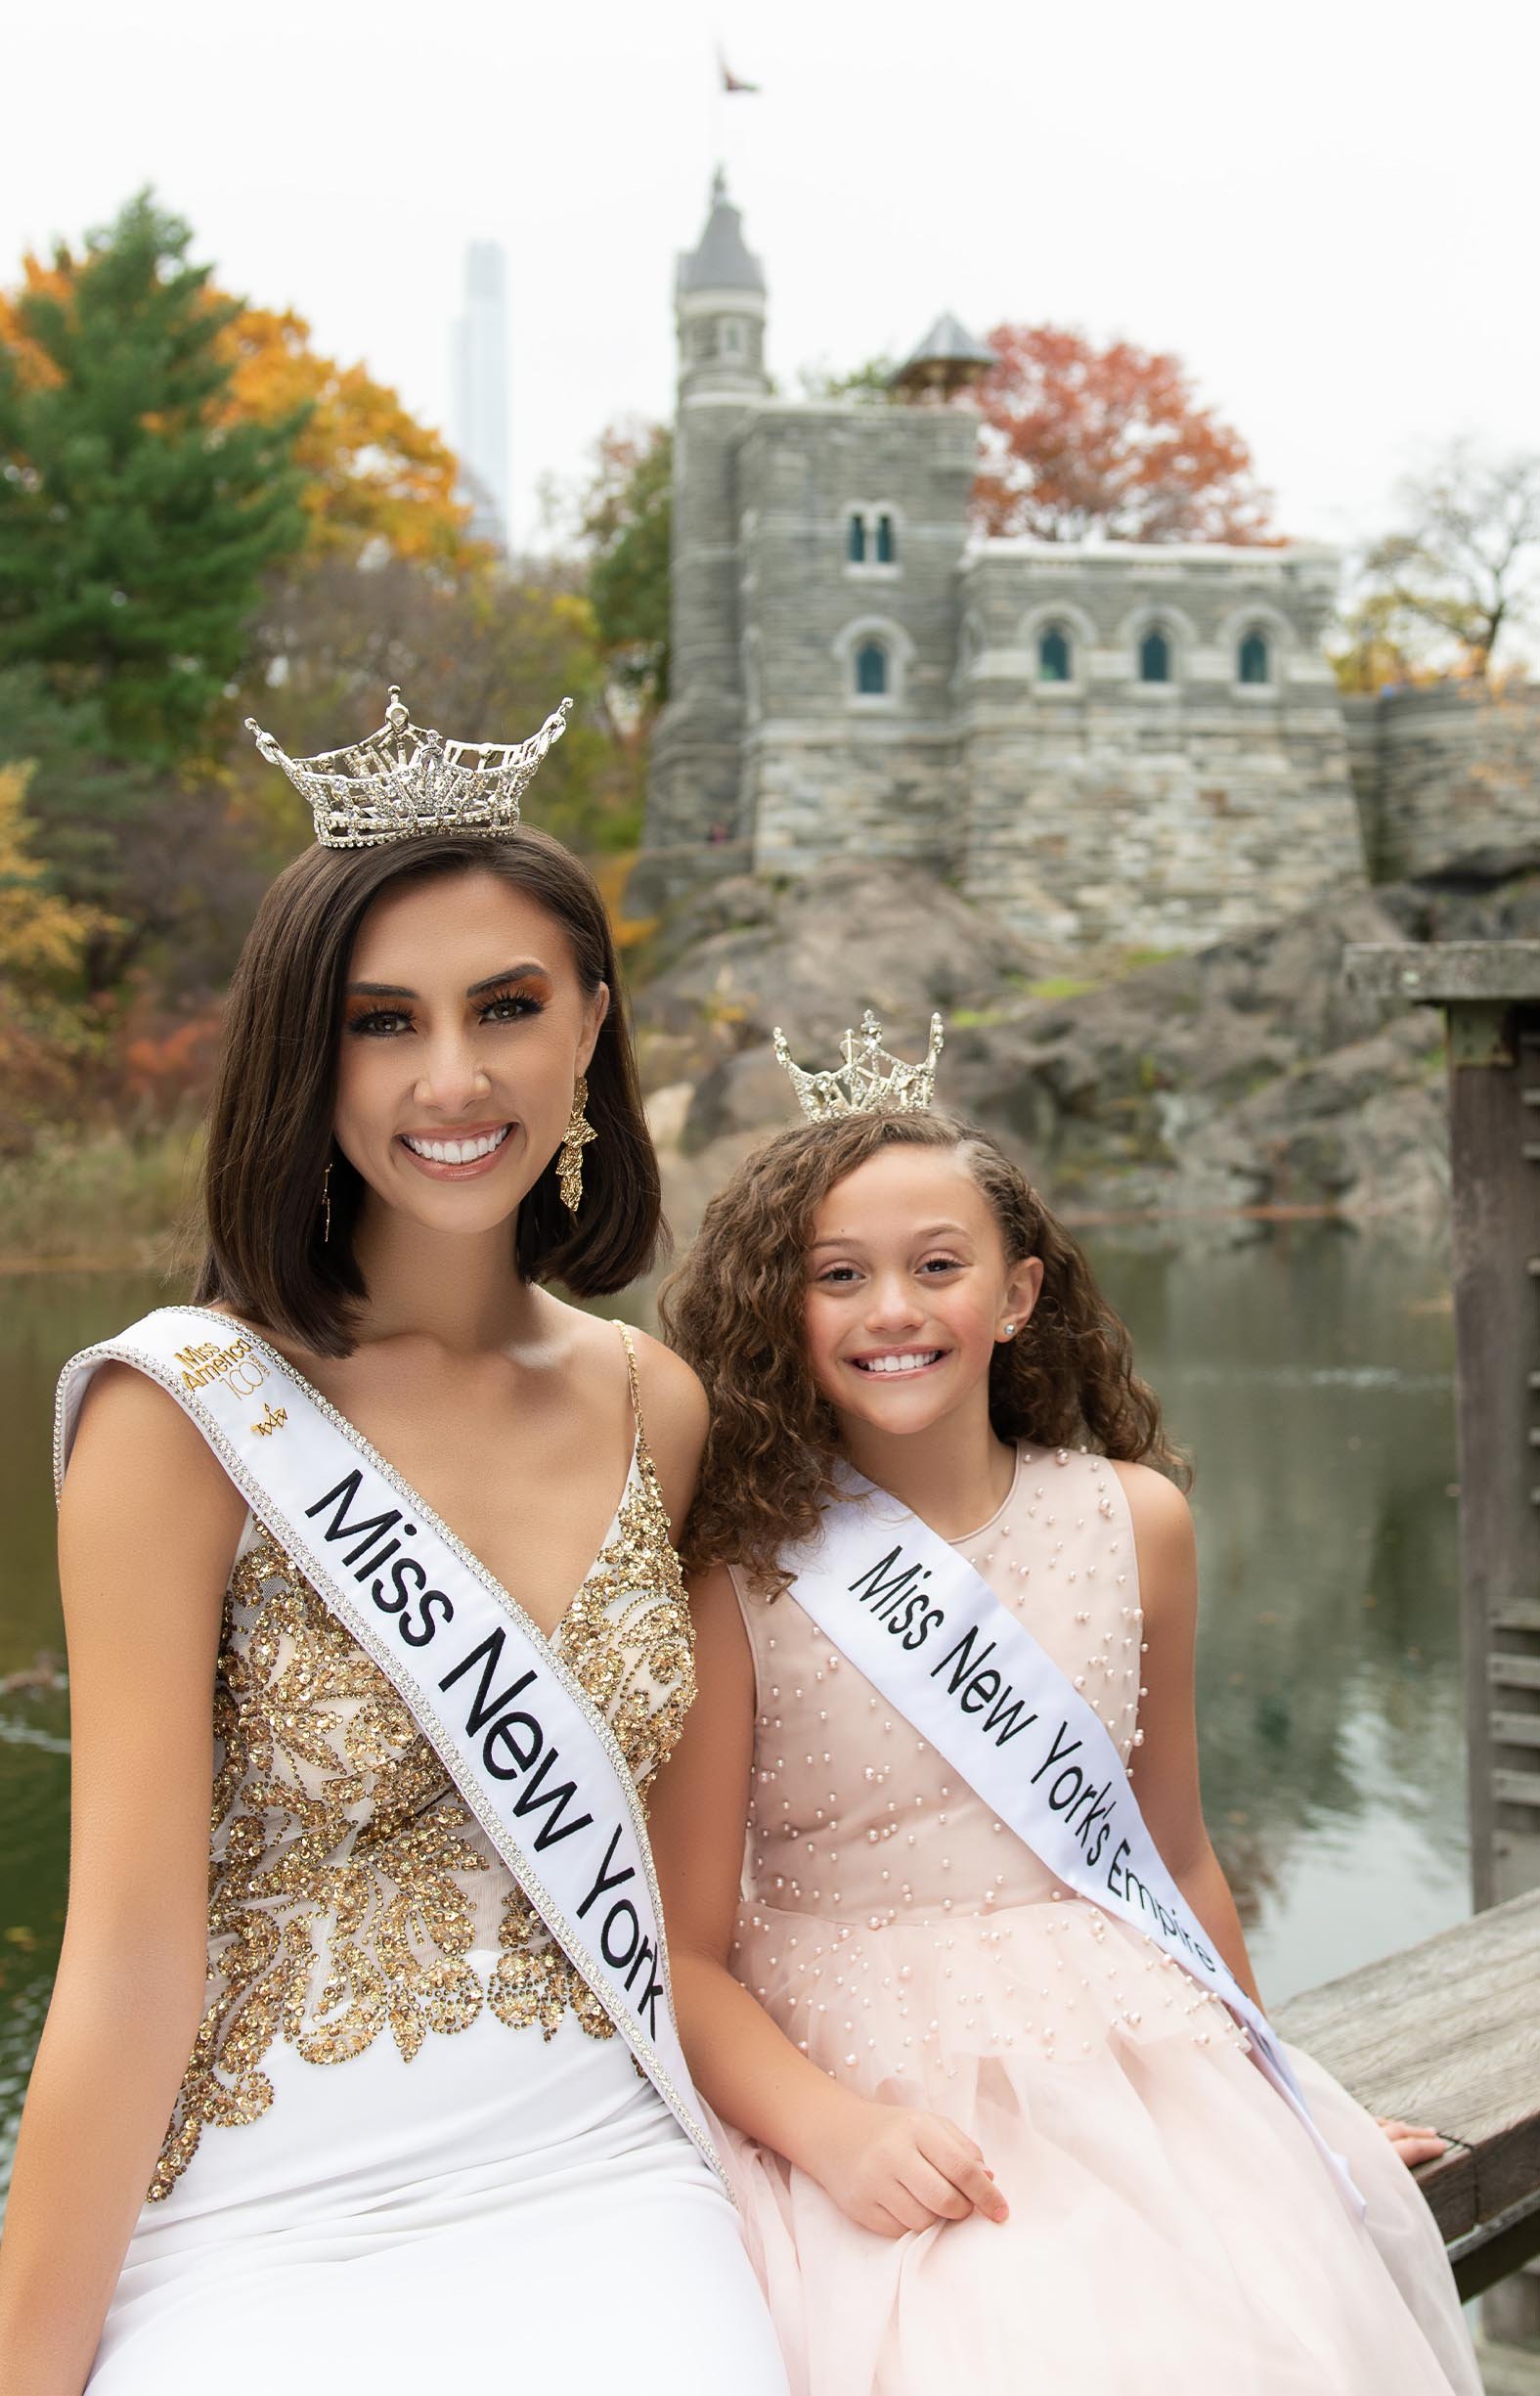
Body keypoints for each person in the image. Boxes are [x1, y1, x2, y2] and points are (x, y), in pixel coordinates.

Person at [0, 690, 789, 2396]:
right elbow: (123, 1960)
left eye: (507, 1005)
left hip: (607, 2175)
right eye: (381, 1022)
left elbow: (705, 1899)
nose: (453, 1077)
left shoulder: (656, 1403)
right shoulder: (182, 1416)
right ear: (307, 1056)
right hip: (266, 2208)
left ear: (590, 1022)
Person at [651, 1011, 1479, 2396]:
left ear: (1018, 1293)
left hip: (1127, 2052)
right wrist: (833, 2132)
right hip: (842, 2072)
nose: (893, 1310)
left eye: (938, 1266)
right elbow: (683, 1953)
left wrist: (1282, 2102)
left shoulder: (1136, 1521)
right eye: (839, 1275)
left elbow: (1179, 1856)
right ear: (784, 1308)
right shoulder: (739, 1572)